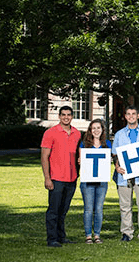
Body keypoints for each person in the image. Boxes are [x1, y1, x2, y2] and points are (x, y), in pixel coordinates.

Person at [112, 106, 139, 242]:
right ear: (125, 116)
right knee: (125, 206)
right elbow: (115, 153)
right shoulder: (119, 134)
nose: (131, 116)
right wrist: (116, 165)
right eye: (128, 114)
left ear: (138, 116)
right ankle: (127, 233)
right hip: (123, 175)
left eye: (133, 114)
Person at [41, 105, 82, 247]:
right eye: (63, 114)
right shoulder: (50, 133)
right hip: (56, 178)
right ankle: (52, 238)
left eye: (69, 115)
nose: (66, 117)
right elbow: (44, 157)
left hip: (72, 178)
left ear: (72, 116)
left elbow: (79, 154)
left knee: (63, 210)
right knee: (53, 210)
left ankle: (61, 236)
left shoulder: (77, 133)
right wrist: (47, 178)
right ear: (59, 116)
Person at [79, 119, 111, 244]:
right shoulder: (84, 144)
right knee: (88, 208)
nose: (96, 130)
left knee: (98, 208)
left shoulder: (107, 144)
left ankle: (97, 234)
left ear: (102, 130)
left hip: (102, 181)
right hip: (87, 181)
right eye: (93, 128)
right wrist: (80, 161)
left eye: (98, 128)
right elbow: (80, 159)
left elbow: (111, 159)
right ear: (90, 130)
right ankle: (88, 235)